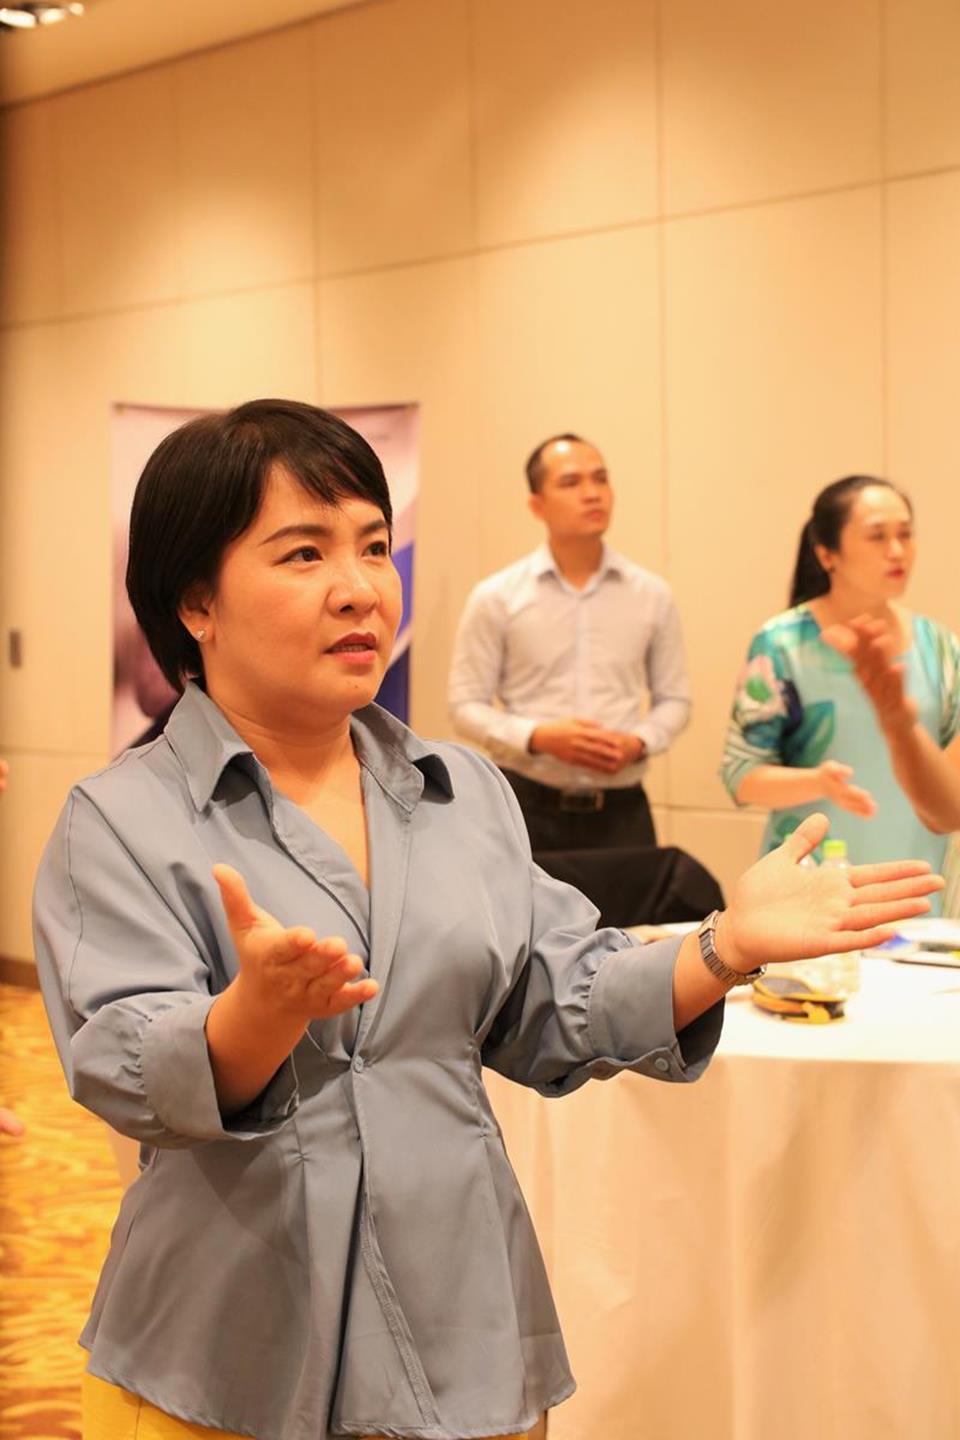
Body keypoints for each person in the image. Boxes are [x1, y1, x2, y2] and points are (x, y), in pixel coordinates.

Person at [33, 405, 940, 1440]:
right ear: (196, 599)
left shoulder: (458, 789)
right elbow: (122, 1058)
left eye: (374, 545)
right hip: (228, 1357)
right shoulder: (121, 818)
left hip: (458, 1331)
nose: (360, 587)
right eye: (304, 552)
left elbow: (559, 993)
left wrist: (721, 946)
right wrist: (255, 1016)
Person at [448, 434, 690, 852]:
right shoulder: (497, 596)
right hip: (526, 805)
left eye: (601, 479)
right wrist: (537, 737)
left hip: (623, 811)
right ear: (536, 505)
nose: (592, 493)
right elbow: (465, 705)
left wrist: (639, 742)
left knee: (634, 900)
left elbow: (675, 699)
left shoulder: (651, 594)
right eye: (571, 482)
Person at [720, 474, 960, 888]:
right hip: (815, 881)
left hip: (923, 879)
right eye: (877, 536)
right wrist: (818, 782)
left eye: (905, 534)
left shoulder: (939, 645)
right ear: (827, 553)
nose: (897, 550)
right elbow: (741, 775)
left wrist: (901, 726)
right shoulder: (783, 644)